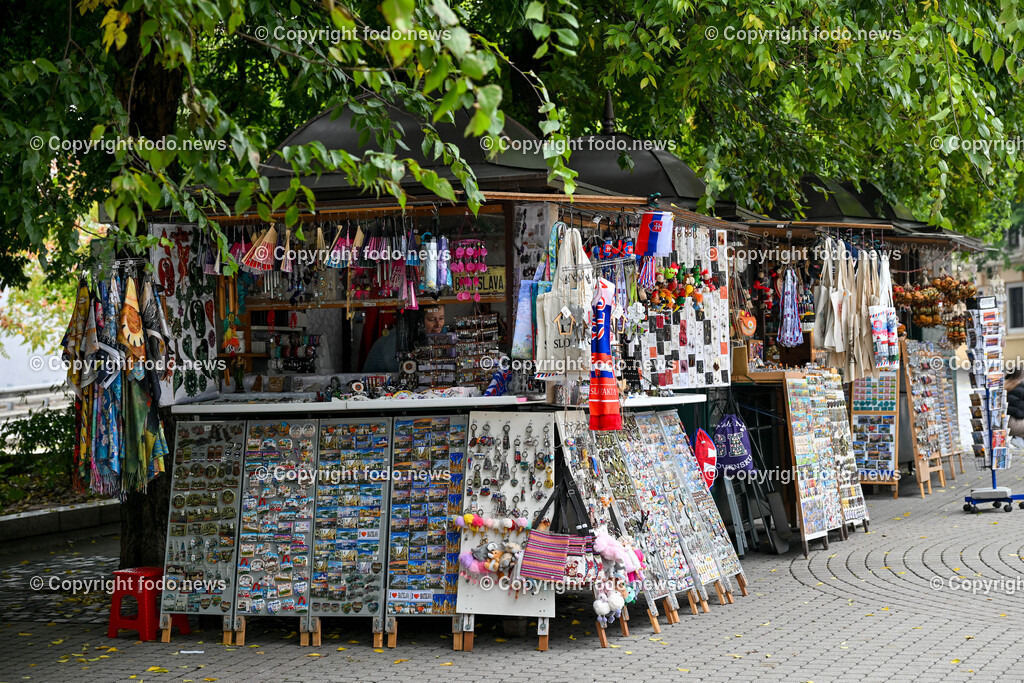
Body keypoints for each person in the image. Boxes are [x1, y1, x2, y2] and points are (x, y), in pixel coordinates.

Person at [363, 305, 445, 373]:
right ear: (418, 320)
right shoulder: (397, 338)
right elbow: (402, 370)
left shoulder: (423, 336)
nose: (438, 324)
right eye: (431, 320)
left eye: (441, 318)